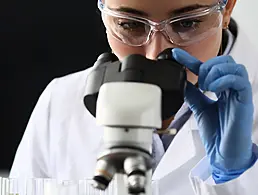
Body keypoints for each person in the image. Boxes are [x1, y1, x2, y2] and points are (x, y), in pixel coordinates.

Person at [9, 0, 258, 194]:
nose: (154, 53)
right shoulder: (61, 99)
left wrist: (234, 179)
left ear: (227, 9)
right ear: (104, 13)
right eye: (130, 24)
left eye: (186, 24)